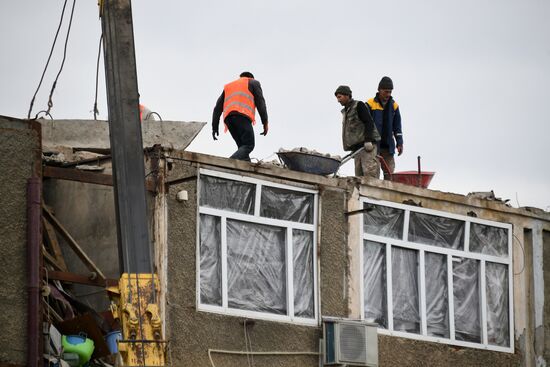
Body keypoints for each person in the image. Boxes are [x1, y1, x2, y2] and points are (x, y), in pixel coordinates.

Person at [212, 71, 269, 161]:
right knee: (249, 145)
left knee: (242, 148)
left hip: (228, 119)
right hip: (241, 116)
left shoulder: (228, 86)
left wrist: (214, 127)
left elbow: (217, 108)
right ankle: (228, 163)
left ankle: (247, 168)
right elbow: (261, 103)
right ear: (251, 77)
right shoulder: (253, 82)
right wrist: (265, 122)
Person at [335, 85, 380, 178]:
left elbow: (369, 122)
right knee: (359, 178)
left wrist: (368, 140)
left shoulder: (358, 105)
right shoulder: (346, 111)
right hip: (357, 149)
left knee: (370, 176)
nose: (338, 100)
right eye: (337, 97)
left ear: (347, 95)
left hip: (367, 147)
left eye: (340, 97)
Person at [366, 76, 403, 179]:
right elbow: (364, 124)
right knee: (373, 173)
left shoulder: (394, 106)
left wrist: (399, 142)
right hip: (374, 146)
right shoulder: (370, 104)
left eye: (390, 92)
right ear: (379, 90)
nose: (388, 94)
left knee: (390, 173)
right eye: (386, 91)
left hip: (388, 146)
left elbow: (397, 127)